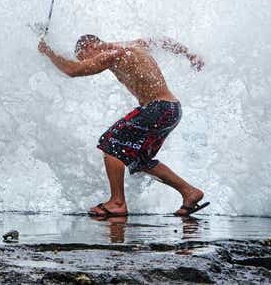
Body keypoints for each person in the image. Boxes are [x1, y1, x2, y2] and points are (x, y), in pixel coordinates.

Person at [38, 34, 208, 217]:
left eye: (84, 57)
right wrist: (189, 54)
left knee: (111, 142)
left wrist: (48, 51)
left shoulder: (113, 54)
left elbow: (73, 70)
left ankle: (117, 202)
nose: (90, 61)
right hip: (171, 110)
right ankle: (190, 192)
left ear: (89, 47)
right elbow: (161, 41)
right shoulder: (134, 45)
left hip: (159, 108)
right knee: (139, 160)